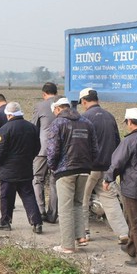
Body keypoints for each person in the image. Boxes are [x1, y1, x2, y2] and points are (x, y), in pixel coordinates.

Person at [104, 108, 137, 269]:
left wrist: (108, 178)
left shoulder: (130, 141)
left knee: (136, 224)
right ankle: (132, 249)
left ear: (130, 122)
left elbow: (117, 163)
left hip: (133, 187)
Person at [78, 88, 129, 244]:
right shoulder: (110, 117)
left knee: (82, 200)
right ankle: (123, 233)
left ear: (84, 101)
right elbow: (117, 142)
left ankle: (84, 233)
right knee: (110, 200)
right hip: (107, 167)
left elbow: (81, 144)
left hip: (89, 167)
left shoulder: (84, 118)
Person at [47, 97, 97, 254]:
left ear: (57, 109)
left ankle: (67, 245)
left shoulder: (58, 123)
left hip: (65, 170)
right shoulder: (86, 122)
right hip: (85, 169)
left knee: (65, 207)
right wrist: (89, 164)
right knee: (77, 203)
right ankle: (81, 236)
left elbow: (53, 149)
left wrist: (53, 166)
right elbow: (95, 148)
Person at [0, 102, 43, 234]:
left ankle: (5, 222)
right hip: (25, 167)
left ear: (9, 115)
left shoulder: (4, 129)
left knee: (6, 196)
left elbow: (0, 150)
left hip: (8, 170)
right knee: (28, 195)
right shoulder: (32, 128)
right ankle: (36, 222)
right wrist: (29, 158)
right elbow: (37, 148)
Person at [32, 82, 59, 224]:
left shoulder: (40, 106)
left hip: (42, 149)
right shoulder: (64, 105)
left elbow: (33, 127)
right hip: (59, 150)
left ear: (44, 94)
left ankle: (40, 211)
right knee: (55, 181)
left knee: (38, 179)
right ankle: (53, 214)